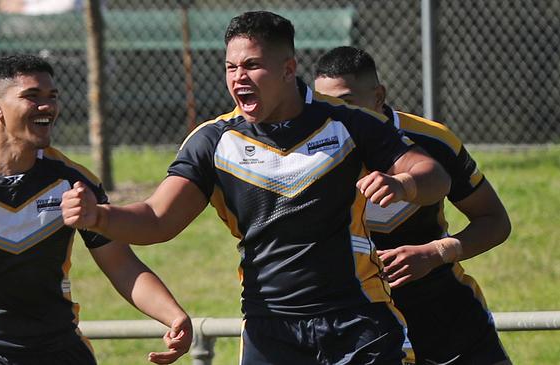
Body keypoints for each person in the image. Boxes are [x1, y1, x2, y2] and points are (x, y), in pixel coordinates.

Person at [61, 11, 451, 365]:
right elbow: (158, 219)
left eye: (252, 65)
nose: (238, 78)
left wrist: (403, 183)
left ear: (288, 69)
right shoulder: (214, 140)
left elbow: (433, 175)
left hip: (357, 317)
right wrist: (100, 216)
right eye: (230, 67)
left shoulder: (347, 123)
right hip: (270, 329)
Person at [0, 54, 192, 365]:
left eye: (52, 97)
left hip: (61, 350)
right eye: (32, 97)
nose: (47, 107)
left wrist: (174, 315)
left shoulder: (74, 182)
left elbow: (121, 265)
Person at [314, 46, 512, 365]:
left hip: (447, 320)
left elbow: (494, 220)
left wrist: (435, 253)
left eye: (345, 102)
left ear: (379, 96)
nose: (333, 114)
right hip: (358, 327)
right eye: (324, 103)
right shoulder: (308, 151)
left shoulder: (433, 141)